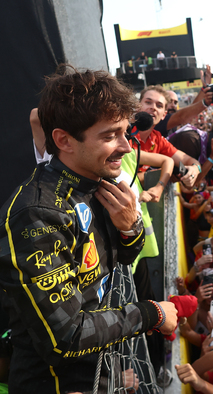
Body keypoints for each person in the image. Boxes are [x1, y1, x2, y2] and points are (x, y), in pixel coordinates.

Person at [0, 65, 179, 393]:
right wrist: (150, 313)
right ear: (63, 140)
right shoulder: (36, 214)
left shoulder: (100, 181)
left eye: (125, 132)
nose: (126, 147)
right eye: (111, 135)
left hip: (103, 368)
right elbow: (66, 337)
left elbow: (123, 260)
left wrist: (131, 227)